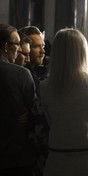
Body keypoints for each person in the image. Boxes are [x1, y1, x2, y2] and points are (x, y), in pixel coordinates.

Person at [40, 28, 88, 176]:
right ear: (83, 52)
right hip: (86, 155)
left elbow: (50, 120)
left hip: (56, 153)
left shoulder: (44, 86)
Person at [0, 24, 37, 175]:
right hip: (14, 157)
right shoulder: (21, 74)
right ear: (6, 47)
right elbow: (35, 112)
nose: (19, 49)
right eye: (17, 44)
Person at [19, 26, 48, 176]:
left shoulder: (40, 72)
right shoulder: (23, 74)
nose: (42, 51)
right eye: (36, 46)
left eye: (43, 46)